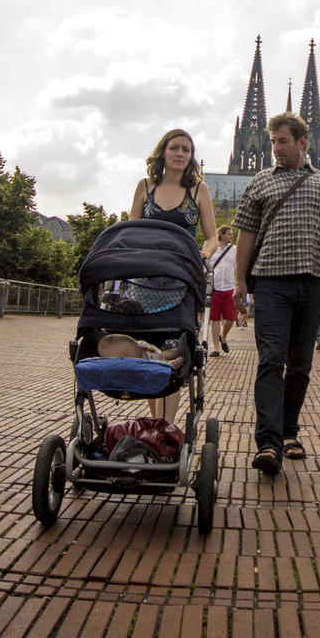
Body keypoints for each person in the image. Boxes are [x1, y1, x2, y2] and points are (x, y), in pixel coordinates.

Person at [233, 112, 320, 476]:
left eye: (282, 141)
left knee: (300, 365)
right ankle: (268, 442)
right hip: (270, 282)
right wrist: (240, 281)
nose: (275, 149)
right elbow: (246, 235)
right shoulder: (260, 181)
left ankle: (288, 431)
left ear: (303, 142)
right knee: (271, 360)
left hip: (313, 281)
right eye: (272, 142)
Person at [129, 128, 218, 423]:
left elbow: (212, 237)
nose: (181, 154)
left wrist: (203, 254)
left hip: (180, 281)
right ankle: (157, 426)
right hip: (144, 281)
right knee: (151, 355)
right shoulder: (145, 186)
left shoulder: (199, 190)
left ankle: (165, 428)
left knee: (174, 354)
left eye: (187, 150)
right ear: (163, 152)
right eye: (175, 148)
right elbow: (131, 231)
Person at [209, 225, 237, 357]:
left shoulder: (234, 250)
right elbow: (206, 267)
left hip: (229, 287)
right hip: (215, 287)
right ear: (222, 235)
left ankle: (223, 337)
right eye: (229, 234)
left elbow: (237, 267)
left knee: (231, 317)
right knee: (214, 319)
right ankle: (216, 348)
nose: (231, 236)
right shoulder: (212, 249)